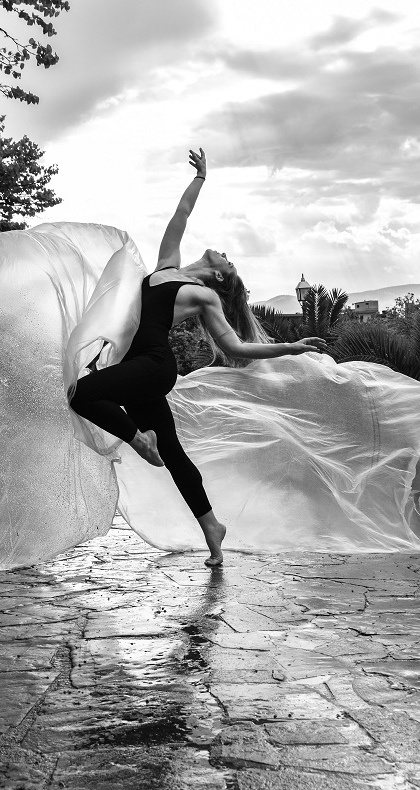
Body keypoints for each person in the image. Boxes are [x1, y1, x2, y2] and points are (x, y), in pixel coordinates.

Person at [69, 148, 327, 566]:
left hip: (153, 367)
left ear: (221, 276)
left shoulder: (205, 296)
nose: (223, 252)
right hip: (137, 369)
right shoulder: (166, 265)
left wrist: (291, 347)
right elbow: (181, 215)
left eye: (229, 260)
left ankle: (138, 440)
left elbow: (236, 348)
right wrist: (201, 178)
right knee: (173, 453)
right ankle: (212, 527)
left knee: (79, 393)